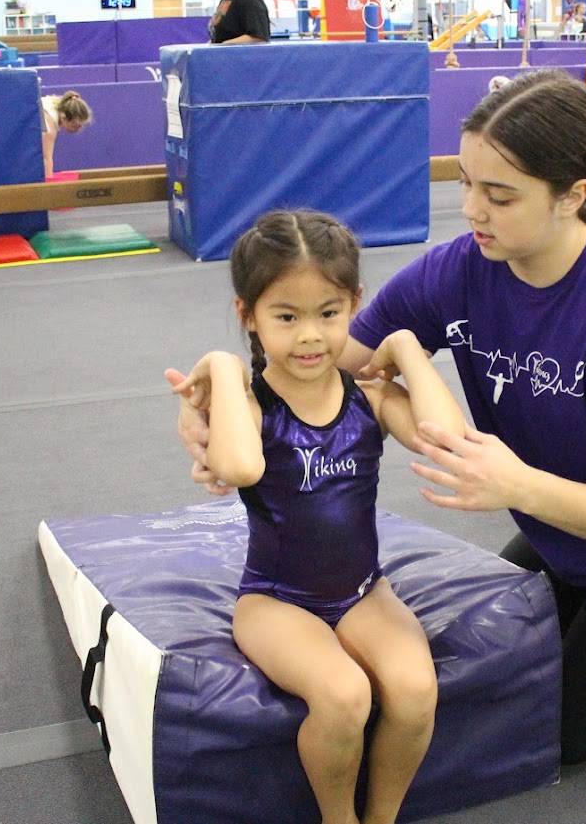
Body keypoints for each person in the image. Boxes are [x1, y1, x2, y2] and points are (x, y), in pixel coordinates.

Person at [173, 72, 586, 767]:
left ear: (573, 195)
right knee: (488, 681)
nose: (473, 209)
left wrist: (519, 487)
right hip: (563, 524)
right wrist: (227, 396)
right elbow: (332, 359)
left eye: (499, 195)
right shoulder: (465, 266)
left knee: (567, 733)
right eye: (466, 183)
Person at [168, 210, 466, 824]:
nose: (310, 336)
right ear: (248, 314)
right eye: (287, 316)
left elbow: (445, 436)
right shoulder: (253, 402)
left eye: (329, 314)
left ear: (355, 304)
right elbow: (237, 467)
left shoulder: (370, 397)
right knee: (343, 694)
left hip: (362, 589)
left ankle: (380, 817)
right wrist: (225, 368)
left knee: (414, 691)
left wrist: (407, 347)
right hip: (275, 601)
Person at [40, 90, 92, 179]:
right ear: (64, 118)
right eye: (75, 126)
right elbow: (46, 158)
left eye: (81, 126)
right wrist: (48, 187)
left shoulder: (60, 104)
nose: (78, 130)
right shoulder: (49, 125)